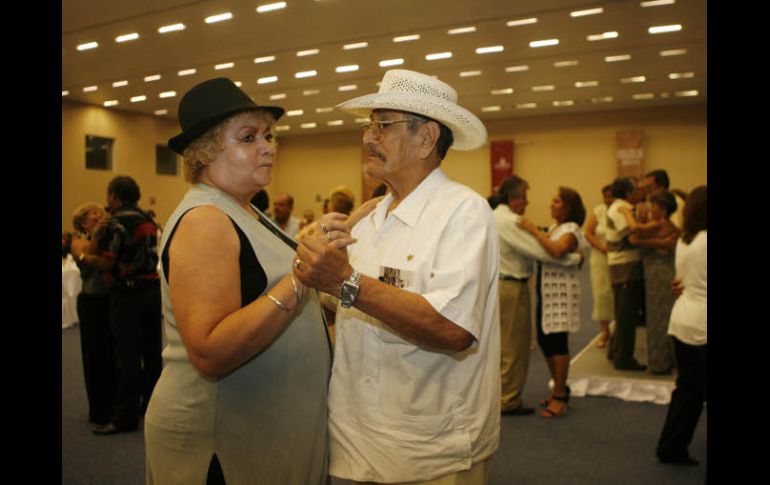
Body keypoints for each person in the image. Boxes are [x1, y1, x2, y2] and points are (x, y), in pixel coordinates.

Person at [294, 69, 500, 483]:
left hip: (429, 448)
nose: (368, 137)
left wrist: (344, 282)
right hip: (356, 440)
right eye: (369, 125)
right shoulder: (369, 220)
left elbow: (453, 328)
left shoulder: (463, 212)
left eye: (382, 125)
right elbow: (339, 309)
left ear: (426, 138)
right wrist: (319, 268)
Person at [142, 78, 336, 484]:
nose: (268, 147)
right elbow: (211, 351)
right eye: (248, 138)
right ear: (205, 153)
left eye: (268, 135)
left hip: (259, 427)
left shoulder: (242, 209)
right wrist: (302, 275)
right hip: (221, 440)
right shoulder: (205, 221)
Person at [494, 176, 582, 417]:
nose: (528, 202)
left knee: (531, 343)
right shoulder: (511, 221)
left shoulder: (497, 216)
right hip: (512, 287)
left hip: (513, 287)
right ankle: (508, 400)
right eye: (524, 197)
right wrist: (576, 259)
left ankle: (554, 392)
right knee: (514, 347)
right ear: (513, 198)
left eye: (557, 201)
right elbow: (545, 252)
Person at [91, 176, 163, 435]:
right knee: (152, 354)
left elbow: (108, 262)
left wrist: (85, 255)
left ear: (114, 196)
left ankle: (124, 417)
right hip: (152, 293)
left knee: (127, 357)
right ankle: (152, 408)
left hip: (128, 295)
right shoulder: (148, 218)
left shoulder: (115, 221)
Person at [518, 187, 586, 418]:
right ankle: (560, 387)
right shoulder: (556, 227)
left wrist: (533, 231)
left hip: (561, 296)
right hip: (547, 294)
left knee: (557, 343)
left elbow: (557, 251)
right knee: (546, 342)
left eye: (556, 201)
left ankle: (559, 396)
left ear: (568, 207)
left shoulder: (571, 229)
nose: (551, 204)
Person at [656, 185, 706, 466]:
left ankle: (670, 447)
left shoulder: (686, 240)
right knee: (691, 391)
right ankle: (672, 447)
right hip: (702, 327)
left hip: (683, 321)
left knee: (687, 391)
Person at [70, 202, 117, 429]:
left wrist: (89, 258)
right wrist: (93, 255)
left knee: (114, 354)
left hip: (111, 301)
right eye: (93, 214)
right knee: (95, 357)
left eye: (100, 212)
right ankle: (100, 409)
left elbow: (97, 259)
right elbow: (88, 253)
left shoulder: (107, 237)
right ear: (82, 222)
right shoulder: (76, 239)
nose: (99, 215)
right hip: (92, 303)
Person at [629, 191, 681, 374]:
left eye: (655, 207)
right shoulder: (670, 226)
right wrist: (660, 243)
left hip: (658, 275)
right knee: (665, 316)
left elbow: (634, 234)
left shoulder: (659, 224)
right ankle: (670, 360)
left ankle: (659, 363)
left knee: (657, 318)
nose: (651, 210)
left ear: (664, 210)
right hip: (665, 272)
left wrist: (628, 214)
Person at [605, 176, 648, 371]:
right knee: (626, 314)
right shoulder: (620, 209)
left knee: (624, 312)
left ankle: (615, 351)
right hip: (625, 268)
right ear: (628, 193)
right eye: (637, 189)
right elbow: (633, 237)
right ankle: (623, 357)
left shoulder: (623, 207)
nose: (641, 192)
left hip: (626, 267)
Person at [583, 184, 615, 348]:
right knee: (602, 294)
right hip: (600, 258)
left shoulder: (622, 210)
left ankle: (618, 329)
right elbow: (587, 233)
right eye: (605, 196)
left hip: (618, 258)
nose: (608, 199)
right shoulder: (598, 211)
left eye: (611, 196)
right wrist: (602, 247)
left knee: (618, 295)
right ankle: (604, 331)